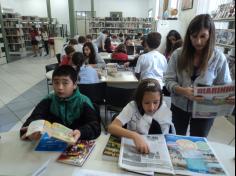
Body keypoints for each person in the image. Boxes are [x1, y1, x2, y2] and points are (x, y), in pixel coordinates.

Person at [164, 14, 234, 137]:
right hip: (179, 105)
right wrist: (182, 90)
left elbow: (224, 86)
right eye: (194, 36)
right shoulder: (178, 54)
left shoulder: (219, 58)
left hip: (205, 110)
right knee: (175, 138)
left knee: (199, 142)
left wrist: (228, 97)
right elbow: (168, 80)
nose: (198, 41)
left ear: (210, 36)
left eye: (203, 36)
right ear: (189, 35)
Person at [20, 65, 101, 141]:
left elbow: (95, 127)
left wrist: (81, 132)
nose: (60, 87)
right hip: (51, 146)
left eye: (65, 83)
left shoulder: (84, 102)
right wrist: (32, 129)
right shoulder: (48, 100)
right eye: (56, 83)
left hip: (76, 144)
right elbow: (32, 120)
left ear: (75, 85)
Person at [108, 79, 175, 154]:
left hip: (153, 149)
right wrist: (134, 135)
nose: (151, 107)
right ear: (139, 100)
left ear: (161, 98)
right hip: (133, 147)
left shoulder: (164, 111)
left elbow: (164, 139)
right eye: (146, 103)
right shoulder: (132, 106)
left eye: (155, 102)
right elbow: (112, 127)